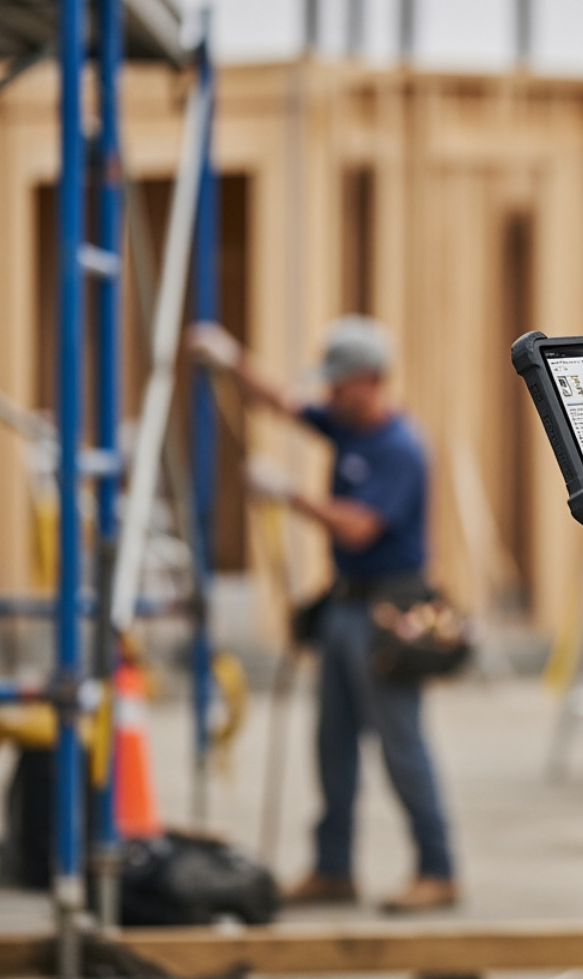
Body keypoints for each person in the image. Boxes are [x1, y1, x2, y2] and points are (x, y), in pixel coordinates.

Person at [186, 315, 457, 913]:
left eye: (341, 383)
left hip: (391, 608)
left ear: (373, 379)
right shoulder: (348, 426)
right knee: (331, 742)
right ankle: (334, 868)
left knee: (401, 745)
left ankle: (438, 870)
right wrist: (229, 358)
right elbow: (284, 403)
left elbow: (360, 528)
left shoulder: (398, 448)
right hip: (343, 606)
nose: (330, 394)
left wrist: (289, 495)